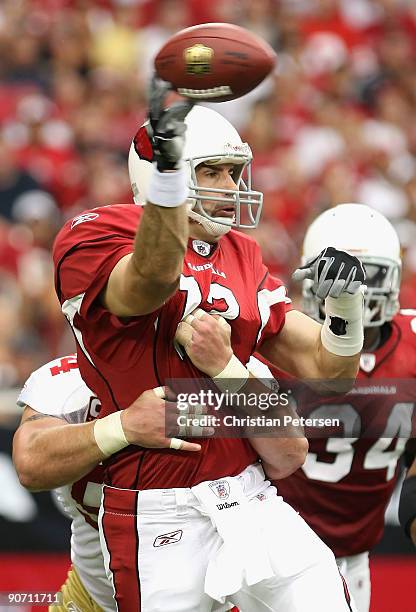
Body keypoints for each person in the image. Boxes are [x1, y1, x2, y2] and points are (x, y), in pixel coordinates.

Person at [52, 77, 364, 611]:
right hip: (158, 506)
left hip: (249, 493)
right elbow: (148, 281)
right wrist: (169, 188)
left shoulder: (240, 251)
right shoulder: (96, 233)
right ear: (163, 175)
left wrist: (345, 312)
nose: (229, 186)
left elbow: (328, 368)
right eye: (211, 172)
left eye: (234, 172)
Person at [276, 203, 416, 612]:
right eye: (337, 274)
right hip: (271, 547)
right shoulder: (279, 343)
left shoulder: (410, 347)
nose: (353, 288)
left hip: (352, 558)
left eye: (366, 274)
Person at [13, 354, 214, 612]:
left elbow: (282, 440)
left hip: (211, 594)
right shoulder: (67, 380)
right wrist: (122, 426)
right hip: (95, 595)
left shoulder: (205, 370)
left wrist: (227, 368)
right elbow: (30, 465)